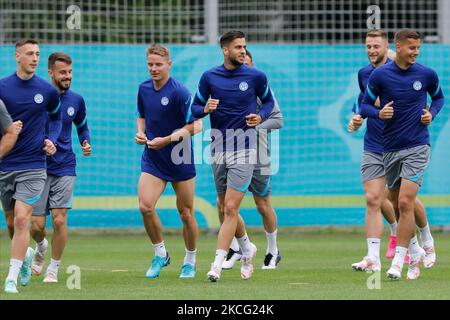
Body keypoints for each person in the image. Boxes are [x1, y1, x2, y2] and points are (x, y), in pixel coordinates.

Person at [191, 30, 275, 282]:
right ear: (225, 50)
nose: (242, 51)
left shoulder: (255, 76)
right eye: (238, 47)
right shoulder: (209, 77)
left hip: (245, 149)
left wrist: (260, 116)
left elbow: (269, 102)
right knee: (223, 205)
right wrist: (205, 109)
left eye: (244, 46)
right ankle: (247, 248)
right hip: (217, 149)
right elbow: (194, 108)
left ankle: (216, 263)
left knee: (230, 208)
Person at [361, 29, 444, 280]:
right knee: (396, 203)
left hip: (418, 146)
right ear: (397, 47)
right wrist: (378, 114)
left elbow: (439, 98)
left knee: (406, 202)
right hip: (390, 148)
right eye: (411, 48)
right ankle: (416, 251)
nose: (416, 52)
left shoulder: (426, 74)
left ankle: (399, 260)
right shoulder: (379, 75)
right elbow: (365, 104)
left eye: (418, 48)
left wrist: (432, 113)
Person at [135, 44, 202, 279]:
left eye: (158, 65)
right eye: (150, 64)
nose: (153, 69)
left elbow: (196, 125)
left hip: (179, 156)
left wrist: (166, 140)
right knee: (145, 206)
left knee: (185, 213)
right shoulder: (143, 89)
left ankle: (190, 261)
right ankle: (161, 254)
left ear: (169, 65)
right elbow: (141, 116)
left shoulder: (180, 92)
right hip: (153, 157)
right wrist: (141, 133)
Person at [0, 39, 61, 293]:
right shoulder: (2, 88)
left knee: (24, 220)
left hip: (34, 165)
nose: (35, 58)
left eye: (37, 54)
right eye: (29, 54)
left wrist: (52, 140)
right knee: (13, 223)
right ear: (17, 56)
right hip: (5, 165)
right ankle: (25, 256)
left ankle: (10, 278)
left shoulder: (47, 91)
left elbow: (56, 118)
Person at [29, 52, 92, 283]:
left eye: (70, 72)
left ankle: (53, 269)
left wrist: (86, 142)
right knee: (36, 225)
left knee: (59, 219)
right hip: (37, 166)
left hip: (65, 165)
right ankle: (41, 245)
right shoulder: (38, 97)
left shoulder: (77, 100)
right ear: (51, 73)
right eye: (63, 72)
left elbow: (82, 126)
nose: (67, 76)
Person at [221, 49, 283, 270]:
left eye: (247, 64)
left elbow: (278, 120)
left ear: (252, 65)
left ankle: (273, 250)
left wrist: (255, 125)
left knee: (262, 203)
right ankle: (240, 247)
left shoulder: (261, 89)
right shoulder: (225, 86)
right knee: (227, 206)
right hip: (232, 152)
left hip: (258, 156)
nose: (243, 69)